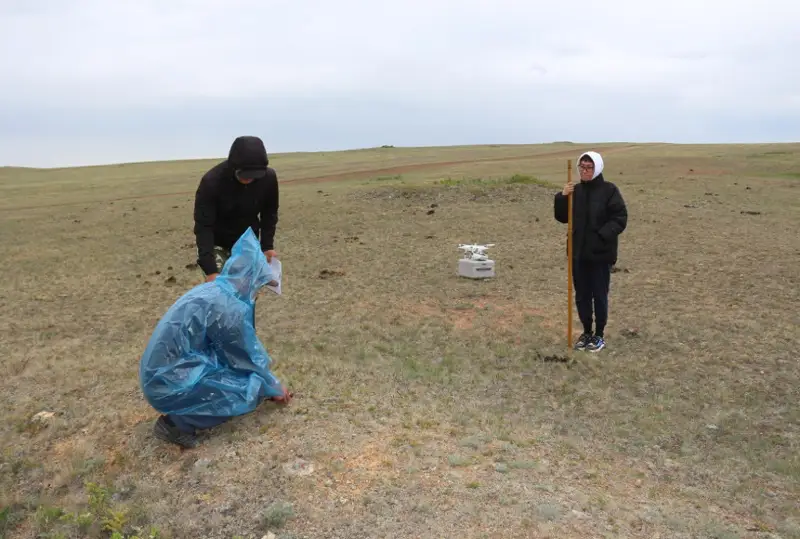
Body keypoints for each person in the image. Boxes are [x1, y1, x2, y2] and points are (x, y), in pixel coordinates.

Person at [139, 228, 292, 449]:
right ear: (249, 279)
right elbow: (244, 358)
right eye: (259, 285)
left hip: (161, 376)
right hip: (168, 384)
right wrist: (273, 387)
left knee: (244, 378)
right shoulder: (227, 307)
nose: (258, 293)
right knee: (248, 389)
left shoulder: (215, 290)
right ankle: (176, 424)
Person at [554, 151, 627, 352]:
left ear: (598, 168)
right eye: (582, 167)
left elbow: (620, 218)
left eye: (589, 167)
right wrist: (562, 197)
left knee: (599, 295)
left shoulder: (609, 191)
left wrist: (601, 236)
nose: (585, 171)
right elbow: (562, 217)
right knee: (582, 295)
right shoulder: (574, 191)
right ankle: (586, 332)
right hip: (578, 253)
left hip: (600, 255)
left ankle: (599, 335)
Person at [194, 135, 279, 282]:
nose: (248, 180)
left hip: (247, 243)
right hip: (217, 243)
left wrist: (267, 246)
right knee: (221, 291)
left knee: (247, 292)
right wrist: (210, 270)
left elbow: (269, 213)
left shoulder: (268, 178)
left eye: (254, 176)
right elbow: (204, 227)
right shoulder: (212, 182)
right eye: (244, 175)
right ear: (233, 166)